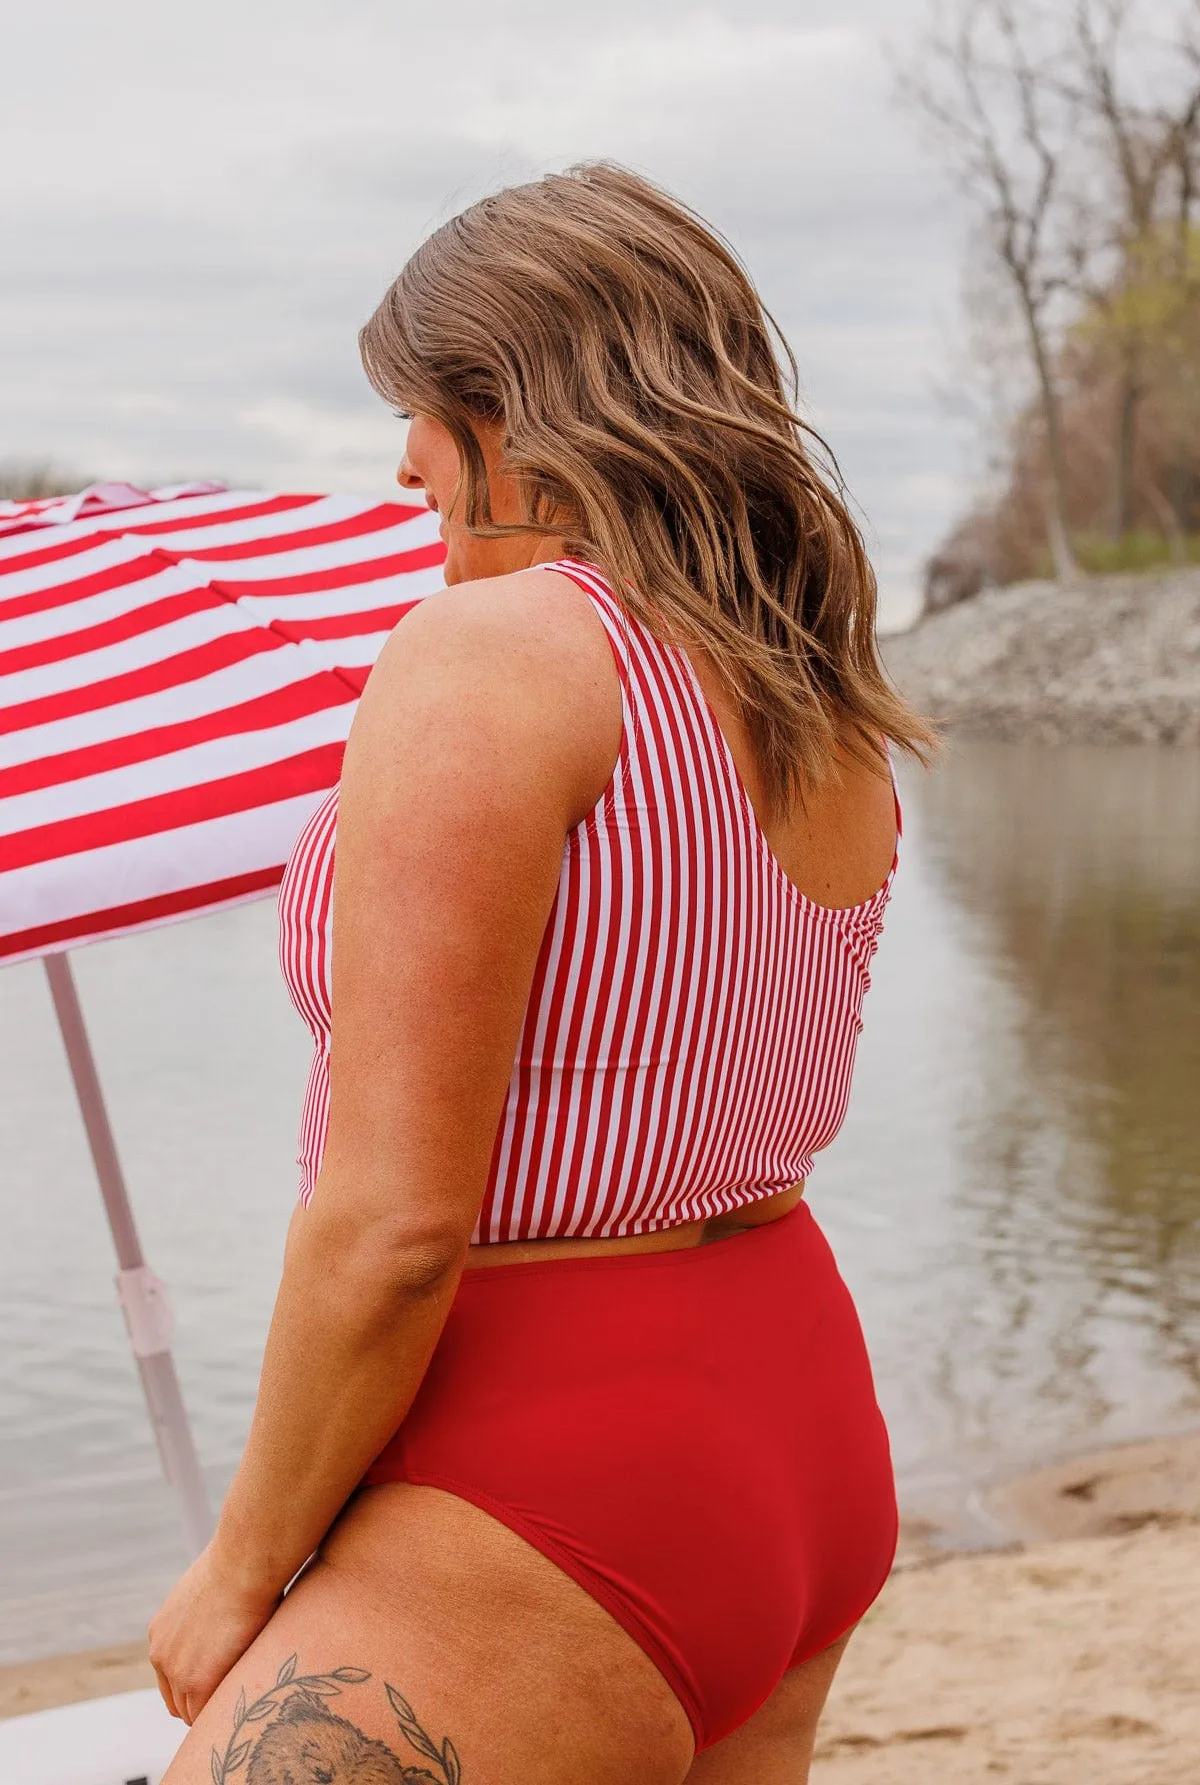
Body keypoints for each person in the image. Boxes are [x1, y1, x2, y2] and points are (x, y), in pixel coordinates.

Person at [149, 163, 932, 1785]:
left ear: (516, 411)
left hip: (548, 1465)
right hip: (795, 1414)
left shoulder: (492, 661)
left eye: (424, 414)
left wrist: (236, 1570)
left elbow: (395, 1224)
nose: (404, 460)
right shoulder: (813, 696)